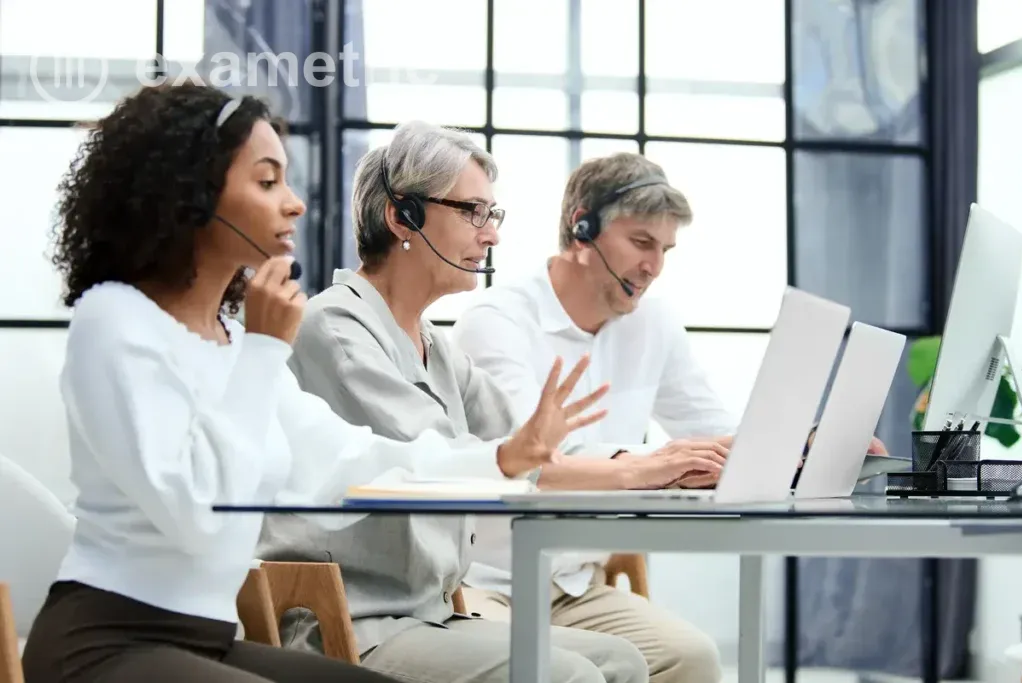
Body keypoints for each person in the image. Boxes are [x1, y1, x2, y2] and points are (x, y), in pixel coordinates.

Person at [20, 84, 603, 683]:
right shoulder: (116, 320)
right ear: (190, 192)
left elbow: (355, 461)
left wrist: (502, 459)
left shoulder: (232, 342)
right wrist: (264, 349)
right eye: (267, 181)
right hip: (104, 644)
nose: (295, 204)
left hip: (206, 640)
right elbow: (199, 514)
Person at [450, 152, 888, 683]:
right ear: (582, 227)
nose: (654, 266)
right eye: (641, 242)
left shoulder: (653, 323)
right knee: (565, 670)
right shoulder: (496, 321)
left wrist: (802, 446)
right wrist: (659, 463)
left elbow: (712, 431)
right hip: (485, 583)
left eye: (665, 250)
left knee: (693, 658)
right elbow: (536, 463)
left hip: (573, 586)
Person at [258, 120, 654, 683]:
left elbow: (532, 448)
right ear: (402, 216)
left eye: (492, 215)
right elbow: (448, 460)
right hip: (354, 623)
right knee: (570, 676)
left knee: (623, 661)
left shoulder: (435, 346)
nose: (491, 235)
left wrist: (657, 462)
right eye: (472, 212)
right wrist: (548, 459)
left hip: (429, 613)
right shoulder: (335, 327)